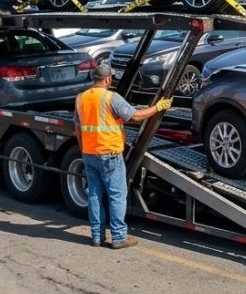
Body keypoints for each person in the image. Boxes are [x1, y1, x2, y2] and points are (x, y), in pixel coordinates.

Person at [74, 64, 172, 249]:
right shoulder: (111, 97)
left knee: (94, 195)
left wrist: (84, 149)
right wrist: (158, 107)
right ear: (108, 79)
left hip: (89, 153)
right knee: (117, 195)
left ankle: (97, 237)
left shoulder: (81, 98)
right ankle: (118, 237)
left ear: (94, 78)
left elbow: (78, 129)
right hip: (109, 154)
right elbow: (135, 116)